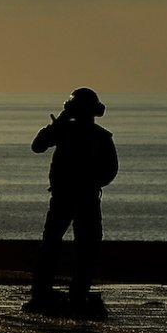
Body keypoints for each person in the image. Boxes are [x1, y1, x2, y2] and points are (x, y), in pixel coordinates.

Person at [27, 87, 117, 313]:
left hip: (84, 197)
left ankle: (77, 292)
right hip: (65, 196)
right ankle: (43, 292)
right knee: (53, 244)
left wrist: (91, 182)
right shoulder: (64, 131)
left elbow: (109, 170)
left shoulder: (99, 136)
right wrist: (60, 121)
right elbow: (38, 146)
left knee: (85, 246)